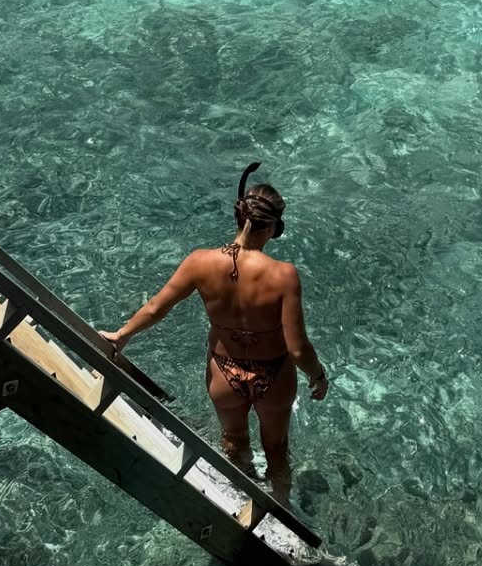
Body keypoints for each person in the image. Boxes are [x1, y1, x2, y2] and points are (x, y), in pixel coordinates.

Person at [100, 163, 327, 497]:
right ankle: (280, 506)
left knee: (234, 441)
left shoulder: (200, 262)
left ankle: (238, 497)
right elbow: (297, 348)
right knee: (277, 449)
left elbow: (156, 308)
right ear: (272, 228)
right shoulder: (283, 275)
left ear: (239, 216)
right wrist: (317, 374)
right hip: (274, 375)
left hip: (224, 371)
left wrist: (121, 335)